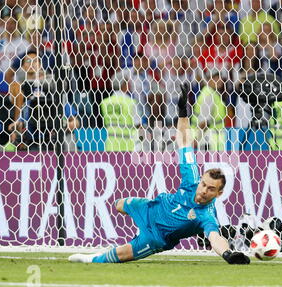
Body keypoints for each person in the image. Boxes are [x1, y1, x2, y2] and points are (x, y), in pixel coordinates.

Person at [68, 83, 250, 265]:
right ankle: (134, 235)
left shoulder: (206, 216)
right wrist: (182, 113)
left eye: (211, 189)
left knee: (117, 257)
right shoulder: (192, 178)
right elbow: (185, 141)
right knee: (118, 205)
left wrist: (227, 254)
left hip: (156, 237)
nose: (203, 190)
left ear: (219, 194)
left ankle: (92, 258)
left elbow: (214, 237)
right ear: (201, 179)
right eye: (204, 184)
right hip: (151, 207)